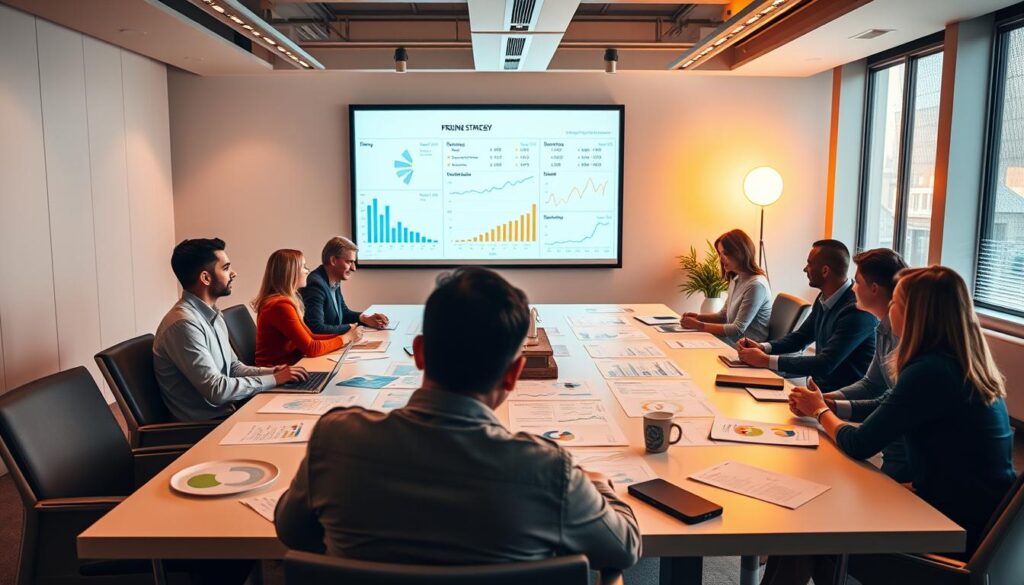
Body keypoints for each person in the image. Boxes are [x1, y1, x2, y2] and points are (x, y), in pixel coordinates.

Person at [275, 267, 642, 570]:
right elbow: (623, 548)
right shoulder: (547, 471)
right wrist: (600, 485)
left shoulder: (336, 441)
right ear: (515, 374)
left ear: (419, 353)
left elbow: (292, 531)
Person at [770, 266, 1016, 585]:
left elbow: (860, 444)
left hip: (947, 535)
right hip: (968, 518)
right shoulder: (957, 364)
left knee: (807, 528)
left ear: (915, 315)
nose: (889, 309)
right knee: (814, 520)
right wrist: (828, 405)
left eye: (895, 302)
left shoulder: (930, 371)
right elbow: (892, 406)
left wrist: (818, 411)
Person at [153, 238, 308, 421]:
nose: (233, 273)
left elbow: (233, 368)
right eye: (226, 268)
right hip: (207, 427)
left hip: (230, 411)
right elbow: (217, 390)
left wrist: (273, 372)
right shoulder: (183, 325)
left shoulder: (213, 314)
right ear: (205, 278)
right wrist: (274, 380)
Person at [813, 248, 911, 482]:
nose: (853, 288)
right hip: (894, 453)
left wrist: (820, 410)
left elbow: (860, 442)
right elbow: (873, 385)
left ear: (875, 288)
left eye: (857, 282)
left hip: (907, 463)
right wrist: (827, 400)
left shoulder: (910, 347)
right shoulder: (883, 329)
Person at [736, 239, 876, 392]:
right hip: (817, 391)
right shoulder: (824, 297)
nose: (805, 269)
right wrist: (763, 347)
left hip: (839, 399)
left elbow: (825, 363)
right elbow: (801, 337)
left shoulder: (857, 310)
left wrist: (766, 361)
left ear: (825, 271)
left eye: (809, 263)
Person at [253, 249, 361, 366]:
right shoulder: (280, 305)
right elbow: (311, 348)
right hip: (278, 374)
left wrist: (345, 335)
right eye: (304, 267)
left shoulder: (282, 301)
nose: (307, 271)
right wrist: (346, 338)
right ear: (291, 272)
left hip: (290, 368)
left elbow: (311, 337)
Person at [680, 229, 772, 343]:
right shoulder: (736, 279)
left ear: (741, 252)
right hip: (732, 341)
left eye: (725, 253)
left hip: (747, 347)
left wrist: (699, 325)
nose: (721, 259)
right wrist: (698, 317)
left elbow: (737, 329)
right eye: (720, 253)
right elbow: (723, 316)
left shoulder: (756, 285)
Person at [301, 236, 389, 333]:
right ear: (333, 260)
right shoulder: (315, 284)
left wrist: (365, 319)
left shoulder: (334, 279)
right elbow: (317, 328)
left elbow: (343, 313)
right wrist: (352, 327)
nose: (353, 268)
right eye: (349, 262)